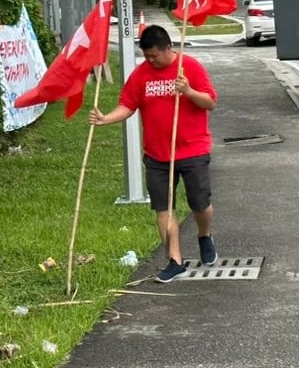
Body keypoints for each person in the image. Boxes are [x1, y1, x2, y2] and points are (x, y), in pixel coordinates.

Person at [89, 24, 218, 283]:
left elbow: (211, 102)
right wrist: (106, 119)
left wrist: (188, 91)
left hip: (192, 149)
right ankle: (175, 260)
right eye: (146, 56)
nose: (150, 60)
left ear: (168, 48)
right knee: (163, 208)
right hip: (158, 155)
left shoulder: (189, 67)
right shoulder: (141, 75)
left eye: (154, 56)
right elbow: (127, 105)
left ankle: (204, 235)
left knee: (199, 204)